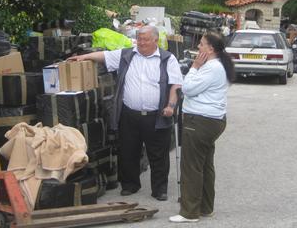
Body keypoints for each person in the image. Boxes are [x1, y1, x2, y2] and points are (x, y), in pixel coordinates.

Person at [69, 25, 183, 201]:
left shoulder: (168, 59)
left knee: (158, 154)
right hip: (129, 114)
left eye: (145, 39)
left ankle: (159, 189)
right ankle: (130, 185)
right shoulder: (127, 54)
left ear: (155, 40)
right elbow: (104, 57)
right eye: (139, 38)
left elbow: (175, 84)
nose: (142, 42)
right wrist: (83, 57)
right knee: (128, 151)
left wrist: (171, 105)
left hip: (157, 115)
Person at [169, 32, 235, 223]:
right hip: (212, 120)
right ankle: (206, 207)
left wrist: (194, 67)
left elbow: (187, 88)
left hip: (200, 121)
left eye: (201, 44)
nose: (198, 47)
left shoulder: (210, 68)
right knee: (205, 165)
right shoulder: (219, 65)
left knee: (191, 167)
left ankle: (189, 212)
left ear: (211, 49)